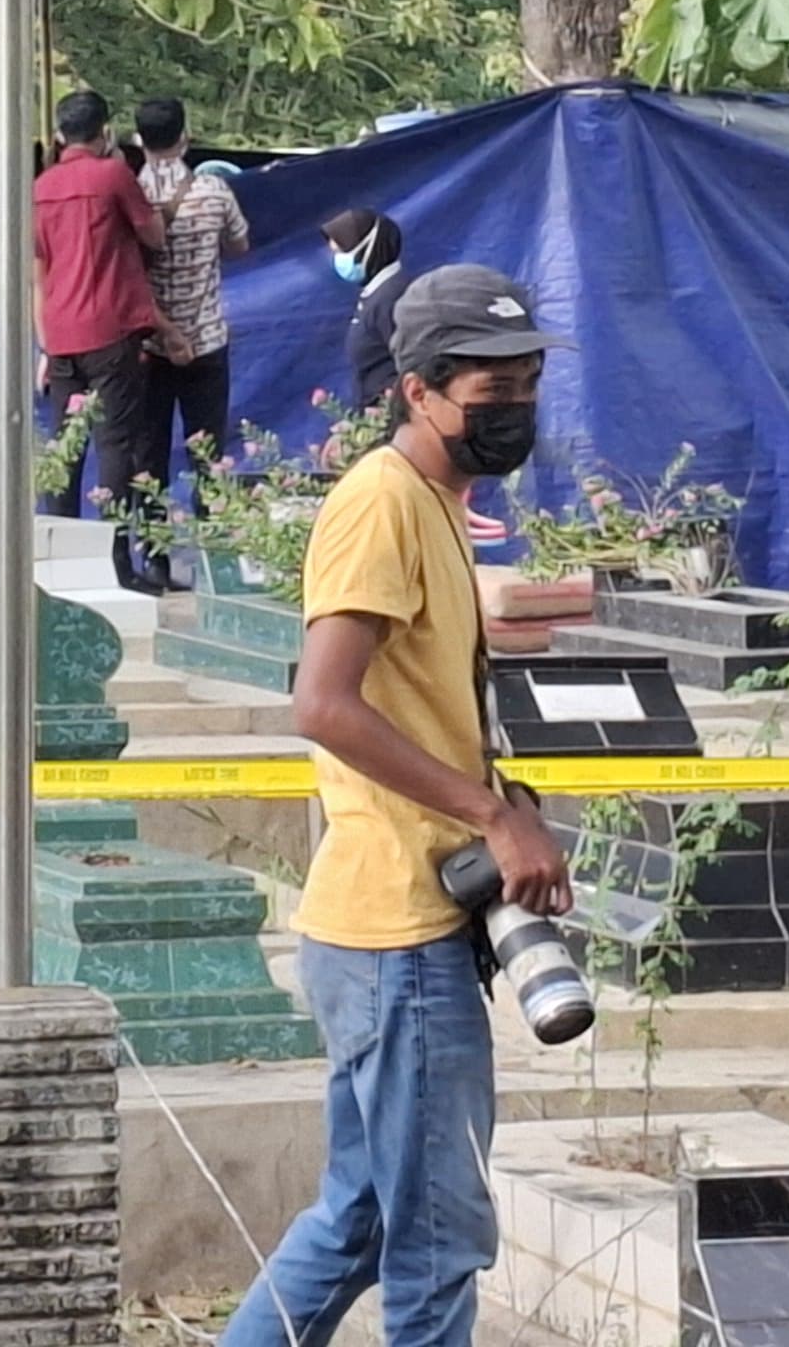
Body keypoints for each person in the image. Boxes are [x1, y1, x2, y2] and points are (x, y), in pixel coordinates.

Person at [227, 264, 577, 1347]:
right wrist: (489, 813)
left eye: (527, 383)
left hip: (386, 928)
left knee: (365, 1214)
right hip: (399, 936)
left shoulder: (432, 500)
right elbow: (323, 704)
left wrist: (496, 791)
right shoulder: (381, 502)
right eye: (491, 391)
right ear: (420, 390)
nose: (514, 408)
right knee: (434, 1240)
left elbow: (407, 702)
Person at [36, 91, 167, 582]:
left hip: (61, 333)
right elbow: (153, 235)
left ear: (57, 136)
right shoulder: (113, 175)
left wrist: (44, 343)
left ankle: (56, 555)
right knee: (116, 443)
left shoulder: (40, 187)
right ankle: (112, 561)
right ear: (105, 132)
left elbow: (38, 270)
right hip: (111, 329)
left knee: (66, 447)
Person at [130, 99, 251, 590]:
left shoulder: (130, 195)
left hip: (149, 345)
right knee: (209, 454)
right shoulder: (213, 190)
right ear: (186, 136)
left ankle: (155, 560)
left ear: (138, 140)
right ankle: (213, 566)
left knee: (149, 455)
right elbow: (241, 244)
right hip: (207, 340)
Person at [325, 208, 411, 410]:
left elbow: (415, 367)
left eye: (340, 253)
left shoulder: (393, 297)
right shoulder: (376, 294)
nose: (336, 261)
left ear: (367, 250)